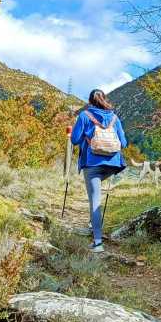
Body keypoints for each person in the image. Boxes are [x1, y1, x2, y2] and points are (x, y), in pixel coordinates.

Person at [69, 89, 127, 252]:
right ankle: (92, 224)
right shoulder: (114, 118)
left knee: (95, 200)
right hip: (113, 165)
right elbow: (123, 143)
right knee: (95, 194)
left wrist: (84, 134)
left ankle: (98, 243)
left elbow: (74, 140)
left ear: (90, 101)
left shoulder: (84, 115)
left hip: (92, 164)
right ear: (104, 100)